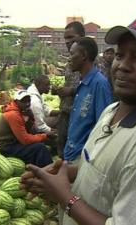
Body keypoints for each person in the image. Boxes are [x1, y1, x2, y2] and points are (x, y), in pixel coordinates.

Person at [21, 14, 136, 225]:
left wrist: (64, 197)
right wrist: (64, 173)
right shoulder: (111, 111)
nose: (122, 66)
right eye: (120, 55)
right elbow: (103, 169)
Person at [62, 37, 112, 162]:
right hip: (71, 153)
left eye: (72, 54)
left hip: (83, 157)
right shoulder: (82, 83)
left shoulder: (99, 84)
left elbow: (104, 126)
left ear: (84, 55)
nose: (69, 58)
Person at [0, 90, 55, 167]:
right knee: (40, 147)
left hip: (11, 141)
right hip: (2, 146)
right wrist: (45, 136)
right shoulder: (13, 114)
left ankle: (37, 168)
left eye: (29, 101)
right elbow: (25, 140)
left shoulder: (20, 111)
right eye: (23, 101)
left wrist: (31, 117)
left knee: (36, 142)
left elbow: (27, 131)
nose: (27, 104)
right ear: (16, 101)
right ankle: (49, 171)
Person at [53, 21, 85, 157]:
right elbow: (69, 85)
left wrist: (71, 91)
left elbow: (93, 88)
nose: (67, 41)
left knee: (76, 153)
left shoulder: (92, 61)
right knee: (61, 146)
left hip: (80, 116)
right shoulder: (69, 63)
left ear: (82, 37)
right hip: (65, 112)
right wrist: (60, 91)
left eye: (71, 37)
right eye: (66, 38)